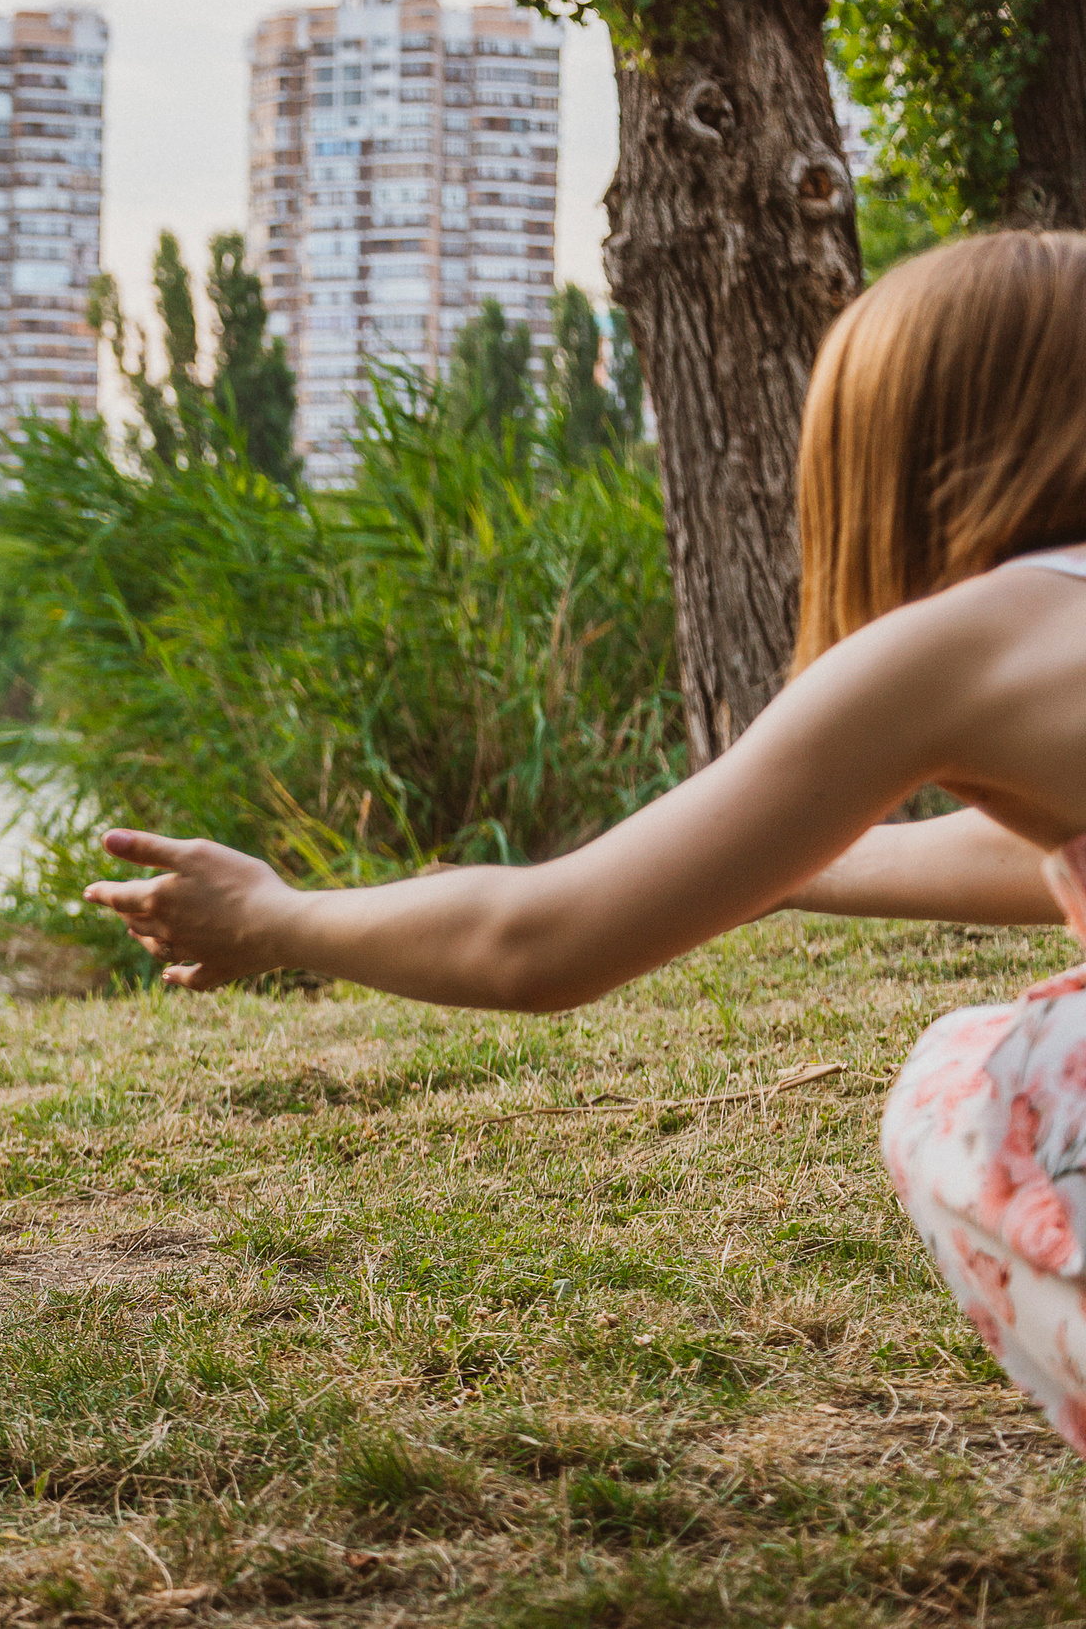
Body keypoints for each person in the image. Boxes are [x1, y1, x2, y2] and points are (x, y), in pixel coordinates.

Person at [82, 230, 1086, 1456]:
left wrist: (274, 919)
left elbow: (537, 941)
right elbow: (1036, 854)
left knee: (964, 1091)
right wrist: (774, 871)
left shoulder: (971, 635)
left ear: (902, 446)